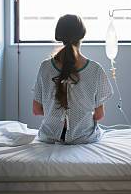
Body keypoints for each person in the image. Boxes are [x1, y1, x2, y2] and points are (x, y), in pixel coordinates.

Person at [32, 14, 113, 144]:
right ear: (82, 35)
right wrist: (80, 116)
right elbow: (99, 115)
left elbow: (37, 110)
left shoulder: (45, 67)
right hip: (83, 138)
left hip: (49, 137)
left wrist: (54, 114)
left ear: (59, 35)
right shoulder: (95, 69)